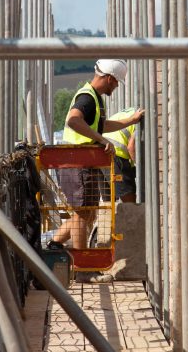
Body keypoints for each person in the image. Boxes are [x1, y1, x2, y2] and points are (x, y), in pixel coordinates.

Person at [53, 60, 144, 248]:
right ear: (109, 78)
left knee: (88, 213)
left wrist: (131, 120)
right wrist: (102, 140)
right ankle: (83, 269)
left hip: (81, 163)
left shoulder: (94, 98)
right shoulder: (87, 98)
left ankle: (54, 244)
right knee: (83, 213)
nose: (117, 86)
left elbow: (103, 126)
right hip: (77, 163)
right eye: (117, 82)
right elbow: (73, 120)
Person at [104, 107, 139, 203]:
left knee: (109, 202)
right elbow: (131, 147)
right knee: (129, 197)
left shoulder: (130, 111)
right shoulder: (140, 117)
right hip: (114, 155)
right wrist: (139, 167)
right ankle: (132, 217)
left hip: (103, 153)